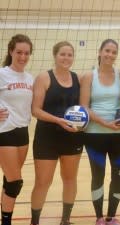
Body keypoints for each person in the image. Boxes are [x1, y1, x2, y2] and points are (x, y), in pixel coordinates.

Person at [30, 41, 83, 225]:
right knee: (43, 182)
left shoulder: (78, 79)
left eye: (69, 55)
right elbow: (36, 110)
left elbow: (84, 108)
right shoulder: (44, 78)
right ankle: (35, 221)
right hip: (47, 137)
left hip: (72, 137)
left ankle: (65, 220)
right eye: (62, 54)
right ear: (55, 55)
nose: (66, 58)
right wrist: (58, 120)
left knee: (70, 180)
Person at [80, 39, 120, 225]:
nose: (110, 55)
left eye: (114, 52)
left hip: (119, 135)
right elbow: (84, 107)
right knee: (98, 175)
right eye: (107, 50)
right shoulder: (88, 77)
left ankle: (111, 216)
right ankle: (99, 217)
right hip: (94, 134)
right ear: (100, 52)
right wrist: (106, 123)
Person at [0, 34, 33, 225]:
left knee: (9, 180)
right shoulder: (2, 73)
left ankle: (4, 212)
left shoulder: (30, 78)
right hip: (5, 131)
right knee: (15, 182)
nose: (22, 56)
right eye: (19, 52)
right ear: (11, 51)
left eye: (26, 53)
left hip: (23, 132)